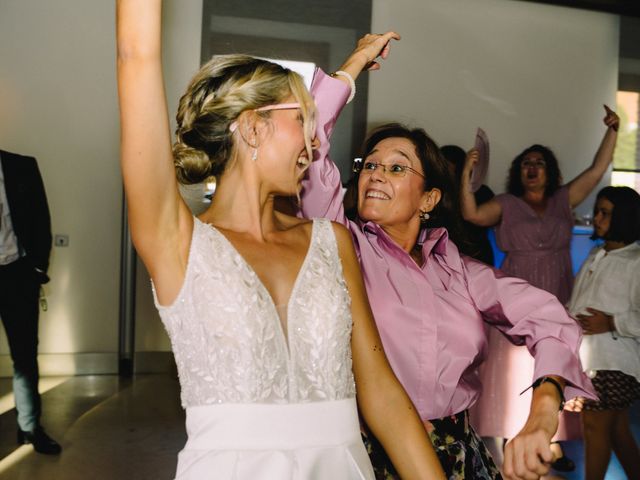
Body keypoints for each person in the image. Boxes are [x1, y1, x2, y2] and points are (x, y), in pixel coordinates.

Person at [116, 2, 445, 479]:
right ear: (253, 126)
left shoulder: (332, 242)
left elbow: (383, 395)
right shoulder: (178, 242)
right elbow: (136, 56)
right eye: (304, 121)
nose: (314, 143)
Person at [300, 33, 595, 479]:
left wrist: (543, 411)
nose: (376, 174)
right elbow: (309, 145)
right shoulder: (341, 248)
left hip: (458, 454)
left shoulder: (458, 269)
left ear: (429, 198)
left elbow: (549, 319)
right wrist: (355, 63)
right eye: (370, 165)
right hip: (365, 455)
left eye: (397, 167)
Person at [460, 107, 619, 471]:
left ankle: (551, 440)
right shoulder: (506, 203)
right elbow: (471, 215)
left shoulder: (564, 200)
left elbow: (596, 171)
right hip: (513, 304)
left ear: (549, 171)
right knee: (510, 372)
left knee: (552, 371)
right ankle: (503, 440)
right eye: (525, 163)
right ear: (518, 172)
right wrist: (466, 175)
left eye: (539, 162)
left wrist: (613, 130)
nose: (532, 167)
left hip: (558, 300)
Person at [568, 186, 640, 480]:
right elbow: (578, 303)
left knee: (595, 426)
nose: (596, 218)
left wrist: (612, 323)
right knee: (617, 429)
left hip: (615, 363)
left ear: (623, 218)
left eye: (604, 213)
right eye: (597, 211)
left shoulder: (635, 263)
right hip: (591, 360)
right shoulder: (597, 254)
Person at [0, 150, 61, 455]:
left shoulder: (21, 166)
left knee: (25, 356)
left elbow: (41, 218)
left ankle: (30, 427)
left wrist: (37, 269)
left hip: (16, 275)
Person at [440, 144, 494, 265]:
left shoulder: (480, 192)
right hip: (441, 260)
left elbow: (473, 217)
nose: (441, 172)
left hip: (475, 260)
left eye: (446, 166)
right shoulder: (431, 195)